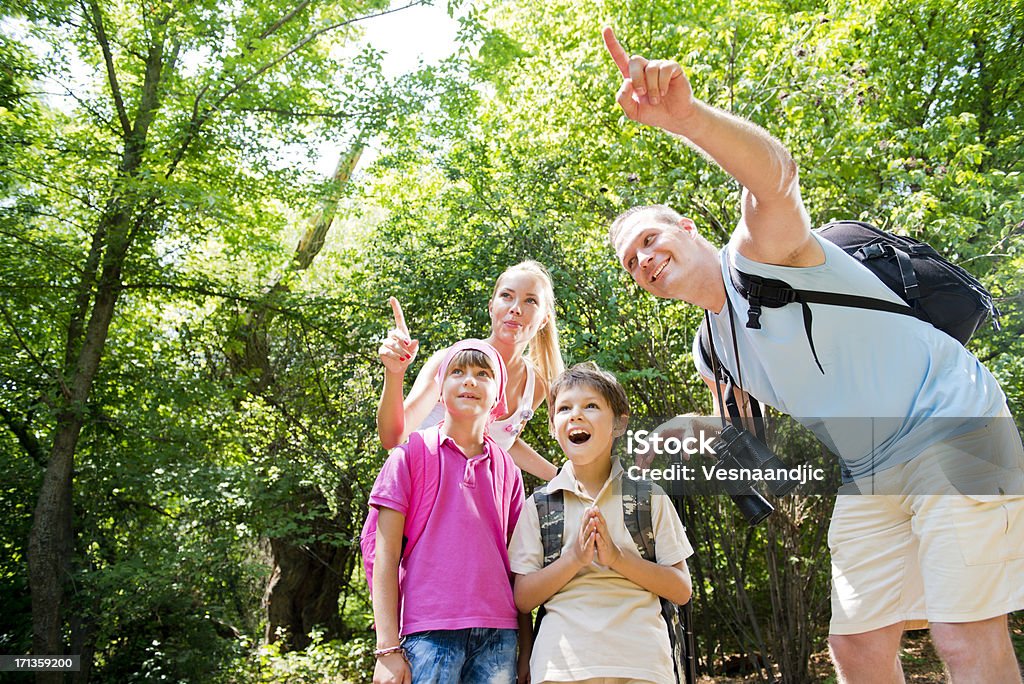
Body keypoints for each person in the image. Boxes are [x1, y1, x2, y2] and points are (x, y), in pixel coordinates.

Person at [602, 26, 1024, 684]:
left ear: (687, 229)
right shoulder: (712, 349)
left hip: (950, 421)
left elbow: (776, 179)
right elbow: (749, 439)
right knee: (857, 647)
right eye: (634, 263)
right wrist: (681, 434)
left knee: (964, 635)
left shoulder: (763, 254)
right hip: (871, 466)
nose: (646, 260)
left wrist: (686, 119)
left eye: (651, 239)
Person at [508, 362, 693, 683]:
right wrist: (574, 559)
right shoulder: (538, 506)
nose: (576, 415)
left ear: (619, 424)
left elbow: (681, 589)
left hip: (643, 664)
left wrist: (617, 558)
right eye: (564, 408)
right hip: (559, 669)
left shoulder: (650, 497)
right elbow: (523, 597)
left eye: (590, 405)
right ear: (553, 426)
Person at [370, 339, 525, 684]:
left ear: (498, 395)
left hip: (499, 636)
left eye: (482, 374)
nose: (469, 380)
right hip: (428, 632)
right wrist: (386, 649)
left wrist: (526, 650)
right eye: (457, 372)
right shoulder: (409, 456)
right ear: (440, 390)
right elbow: (385, 556)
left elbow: (520, 567)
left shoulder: (508, 470)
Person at [377, 261, 564, 481]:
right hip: (418, 494)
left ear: (544, 319)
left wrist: (561, 478)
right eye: (506, 296)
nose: (515, 308)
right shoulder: (451, 362)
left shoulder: (536, 384)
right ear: (491, 306)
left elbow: (504, 441)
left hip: (470, 505)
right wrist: (395, 373)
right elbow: (392, 437)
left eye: (530, 300)